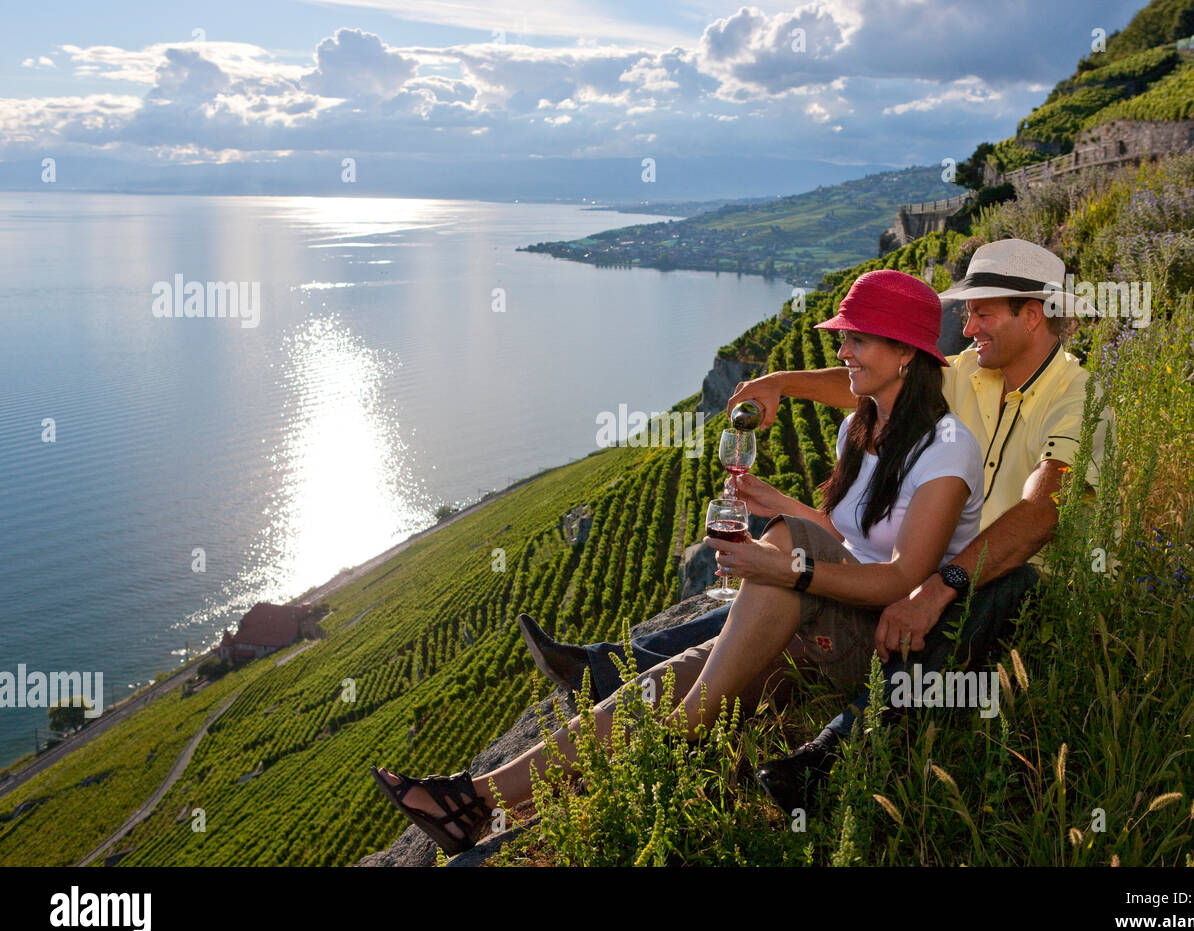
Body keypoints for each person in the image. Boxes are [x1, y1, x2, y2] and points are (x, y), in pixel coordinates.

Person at [372, 268, 988, 855]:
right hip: (824, 612)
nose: (845, 351)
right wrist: (773, 503)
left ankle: (671, 738)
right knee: (676, 674)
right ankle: (472, 799)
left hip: (875, 643)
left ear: (906, 351)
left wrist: (789, 568)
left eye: (858, 339)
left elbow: (903, 577)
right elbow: (851, 536)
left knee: (768, 575)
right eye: (844, 337)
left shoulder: (947, 449)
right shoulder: (860, 427)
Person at [518, 238, 1113, 812]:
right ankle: (617, 668)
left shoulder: (1079, 397)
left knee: (1007, 585)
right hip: (924, 557)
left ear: (1032, 315)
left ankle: (837, 750)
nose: (969, 327)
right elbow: (879, 387)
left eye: (982, 313)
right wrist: (781, 383)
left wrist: (936, 589)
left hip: (993, 577)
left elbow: (1041, 513)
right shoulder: (969, 371)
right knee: (786, 575)